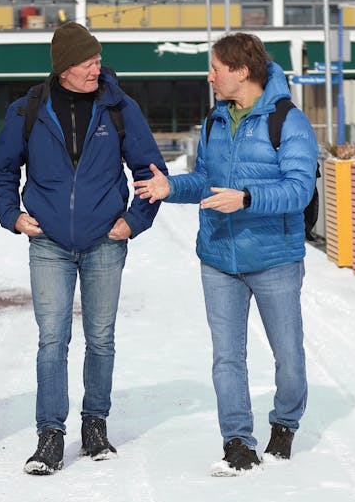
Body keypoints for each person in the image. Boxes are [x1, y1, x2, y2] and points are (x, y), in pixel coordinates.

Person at [134, 32, 318, 476]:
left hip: (274, 258)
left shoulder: (289, 122)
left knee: (288, 355)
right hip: (219, 258)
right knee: (227, 357)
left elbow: (299, 189)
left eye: (216, 67)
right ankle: (237, 441)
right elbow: (205, 181)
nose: (210, 76)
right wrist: (170, 187)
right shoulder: (215, 120)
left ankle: (285, 423)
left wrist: (247, 198)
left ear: (241, 71)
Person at [0, 22, 166, 475]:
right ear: (64, 68)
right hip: (48, 242)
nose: (96, 67)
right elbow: (2, 171)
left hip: (106, 240)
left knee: (101, 338)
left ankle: (95, 425)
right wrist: (12, 216)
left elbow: (150, 172)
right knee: (53, 340)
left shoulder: (120, 108)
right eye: (88, 62)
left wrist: (134, 220)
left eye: (98, 59)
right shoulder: (26, 110)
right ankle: (50, 434)